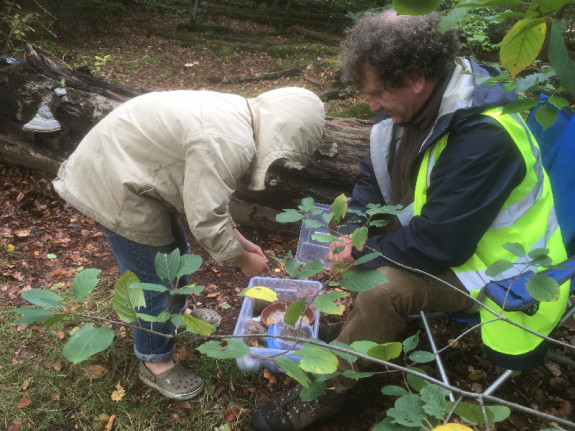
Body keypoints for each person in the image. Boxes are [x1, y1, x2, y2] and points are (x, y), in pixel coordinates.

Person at [252, 10, 568, 431]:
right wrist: (354, 233)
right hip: (450, 240)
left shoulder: (484, 137)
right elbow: (373, 181)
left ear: (416, 77)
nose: (372, 104)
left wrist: (362, 256)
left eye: (379, 92)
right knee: (364, 265)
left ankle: (325, 394)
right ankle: (359, 339)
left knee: (382, 290)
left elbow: (440, 245)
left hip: (500, 270)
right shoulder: (409, 113)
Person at [52, 87, 325, 400]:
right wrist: (242, 260)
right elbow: (206, 219)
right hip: (114, 183)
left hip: (134, 173)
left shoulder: (238, 118)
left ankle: (178, 313)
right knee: (151, 281)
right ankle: (154, 361)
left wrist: (240, 240)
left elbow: (200, 195)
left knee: (177, 251)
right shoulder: (229, 141)